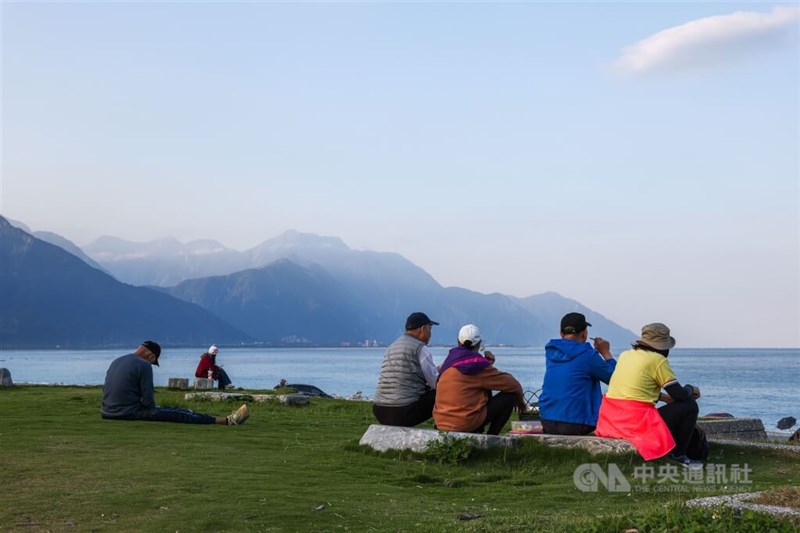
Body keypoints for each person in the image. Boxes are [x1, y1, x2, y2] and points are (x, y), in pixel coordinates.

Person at [595, 323, 702, 468]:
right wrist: (690, 388)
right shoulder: (658, 360)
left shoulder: (625, 355)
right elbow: (680, 395)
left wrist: (663, 397)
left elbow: (635, 390)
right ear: (663, 347)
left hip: (610, 421)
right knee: (689, 405)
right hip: (635, 423)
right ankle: (678, 454)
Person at [102, 340, 250, 425]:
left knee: (173, 410)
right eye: (153, 361)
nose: (152, 363)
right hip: (128, 412)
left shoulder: (117, 361)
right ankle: (226, 421)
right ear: (151, 356)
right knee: (179, 415)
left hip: (108, 411)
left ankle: (217, 418)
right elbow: (148, 402)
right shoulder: (144, 365)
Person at [433, 324, 527, 435]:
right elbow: (513, 385)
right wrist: (521, 401)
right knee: (510, 397)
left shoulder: (449, 362)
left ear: (458, 342)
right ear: (479, 344)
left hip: (441, 423)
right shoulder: (479, 367)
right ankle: (492, 436)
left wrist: (486, 364)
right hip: (465, 424)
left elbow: (469, 376)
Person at [538, 312, 616, 435]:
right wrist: (606, 353)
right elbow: (614, 379)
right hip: (577, 424)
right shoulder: (587, 355)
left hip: (547, 421)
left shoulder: (551, 352)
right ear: (584, 334)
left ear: (561, 333)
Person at [373, 312, 440, 427]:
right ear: (423, 329)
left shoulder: (392, 347)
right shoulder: (419, 348)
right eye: (430, 329)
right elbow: (435, 383)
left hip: (380, 410)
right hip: (402, 411)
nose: (430, 334)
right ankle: (444, 427)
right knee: (443, 391)